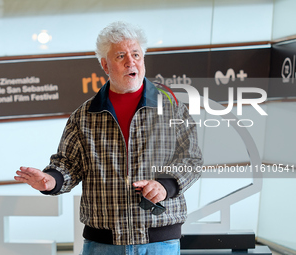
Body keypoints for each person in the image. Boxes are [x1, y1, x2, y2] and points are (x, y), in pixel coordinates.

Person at [14, 21, 203, 255]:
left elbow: (192, 159)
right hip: (102, 244)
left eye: (136, 54)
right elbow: (68, 165)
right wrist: (52, 181)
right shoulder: (83, 116)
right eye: (121, 56)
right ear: (105, 65)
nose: (130, 62)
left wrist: (166, 185)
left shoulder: (173, 109)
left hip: (159, 242)